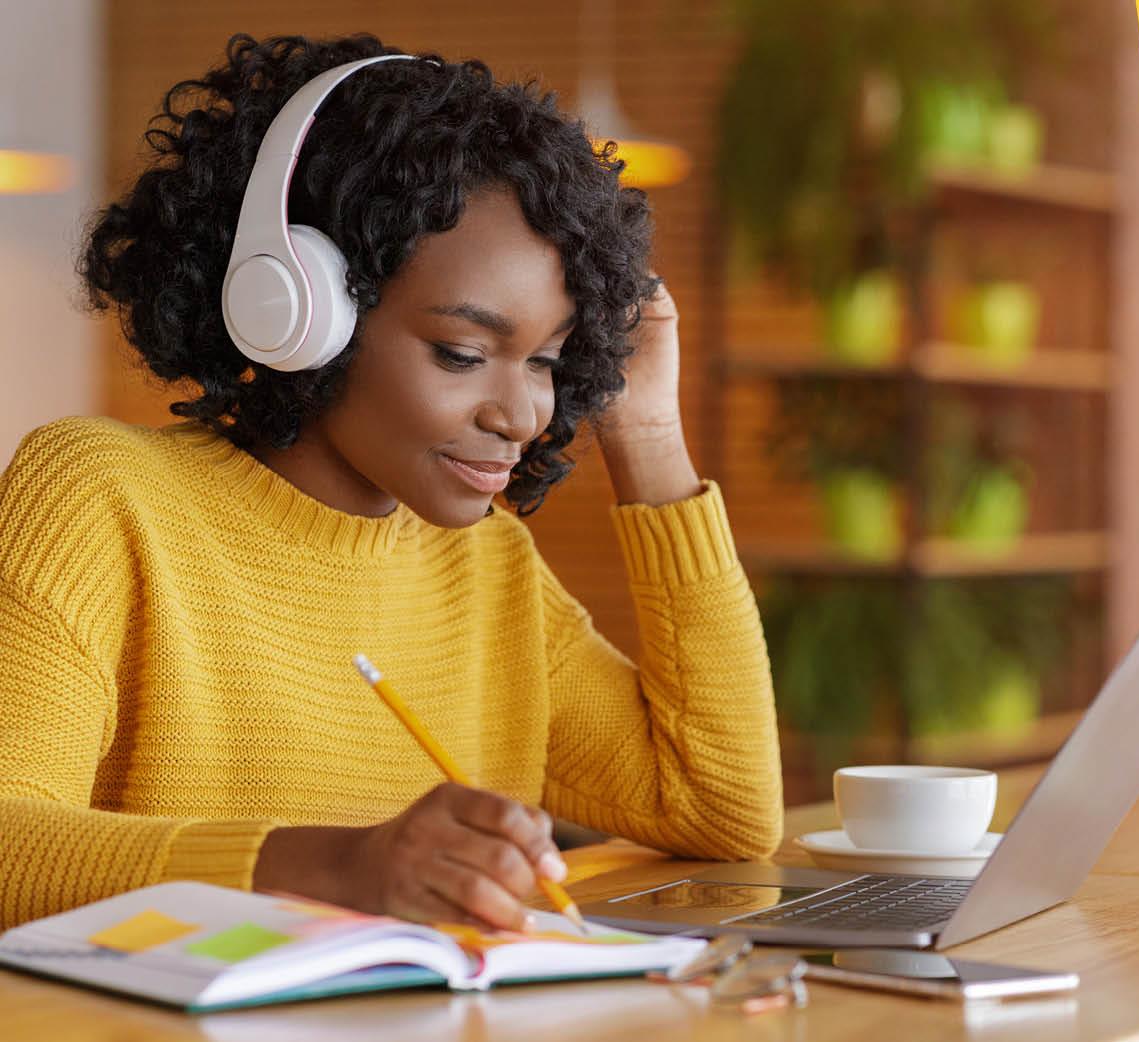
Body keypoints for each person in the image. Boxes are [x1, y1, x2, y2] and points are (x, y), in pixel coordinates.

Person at [0, 33, 782, 933]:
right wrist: (333, 866)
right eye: (462, 353)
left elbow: (721, 811)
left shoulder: (488, 568)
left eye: (549, 363)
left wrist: (644, 431)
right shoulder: (100, 499)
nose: (522, 415)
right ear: (299, 309)